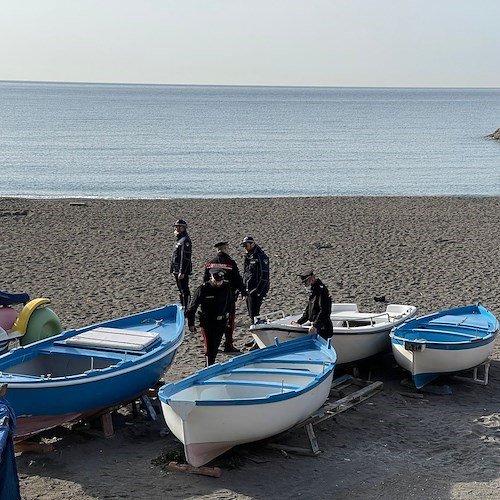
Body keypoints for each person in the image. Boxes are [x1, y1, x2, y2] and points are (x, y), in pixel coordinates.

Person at [203, 241, 246, 353]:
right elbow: (237, 279)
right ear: (225, 249)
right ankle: (228, 344)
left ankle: (212, 345)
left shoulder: (210, 263)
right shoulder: (230, 263)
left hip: (212, 297)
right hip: (228, 297)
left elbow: (205, 280)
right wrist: (243, 292)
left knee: (212, 322)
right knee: (229, 321)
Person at [185, 269, 233, 366]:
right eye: (217, 281)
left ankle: (211, 364)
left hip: (221, 321)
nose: (219, 283)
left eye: (221, 280)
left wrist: (228, 318)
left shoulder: (226, 286)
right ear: (211, 278)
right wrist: (191, 323)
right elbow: (192, 308)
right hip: (208, 322)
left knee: (216, 347)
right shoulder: (203, 289)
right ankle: (208, 367)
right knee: (210, 348)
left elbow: (230, 303)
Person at [291, 270, 333, 340]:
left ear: (312, 280)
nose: (304, 285)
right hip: (316, 327)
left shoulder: (321, 291)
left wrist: (315, 325)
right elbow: (309, 309)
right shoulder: (314, 291)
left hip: (322, 329)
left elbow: (324, 311)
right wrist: (299, 321)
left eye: (305, 283)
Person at [241, 236, 270, 324]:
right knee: (251, 313)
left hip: (257, 289)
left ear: (253, 244)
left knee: (254, 314)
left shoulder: (261, 256)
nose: (245, 248)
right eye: (244, 246)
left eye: (246, 245)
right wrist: (243, 288)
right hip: (249, 289)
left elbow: (265, 276)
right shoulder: (248, 256)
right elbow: (245, 273)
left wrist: (258, 291)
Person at [170, 219, 192, 309]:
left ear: (182, 228)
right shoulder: (179, 240)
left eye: (177, 227)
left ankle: (186, 308)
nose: (175, 229)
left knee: (185, 290)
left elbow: (185, 257)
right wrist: (172, 269)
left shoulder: (185, 240)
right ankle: (183, 306)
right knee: (180, 290)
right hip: (176, 269)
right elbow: (175, 256)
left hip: (181, 270)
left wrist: (182, 271)